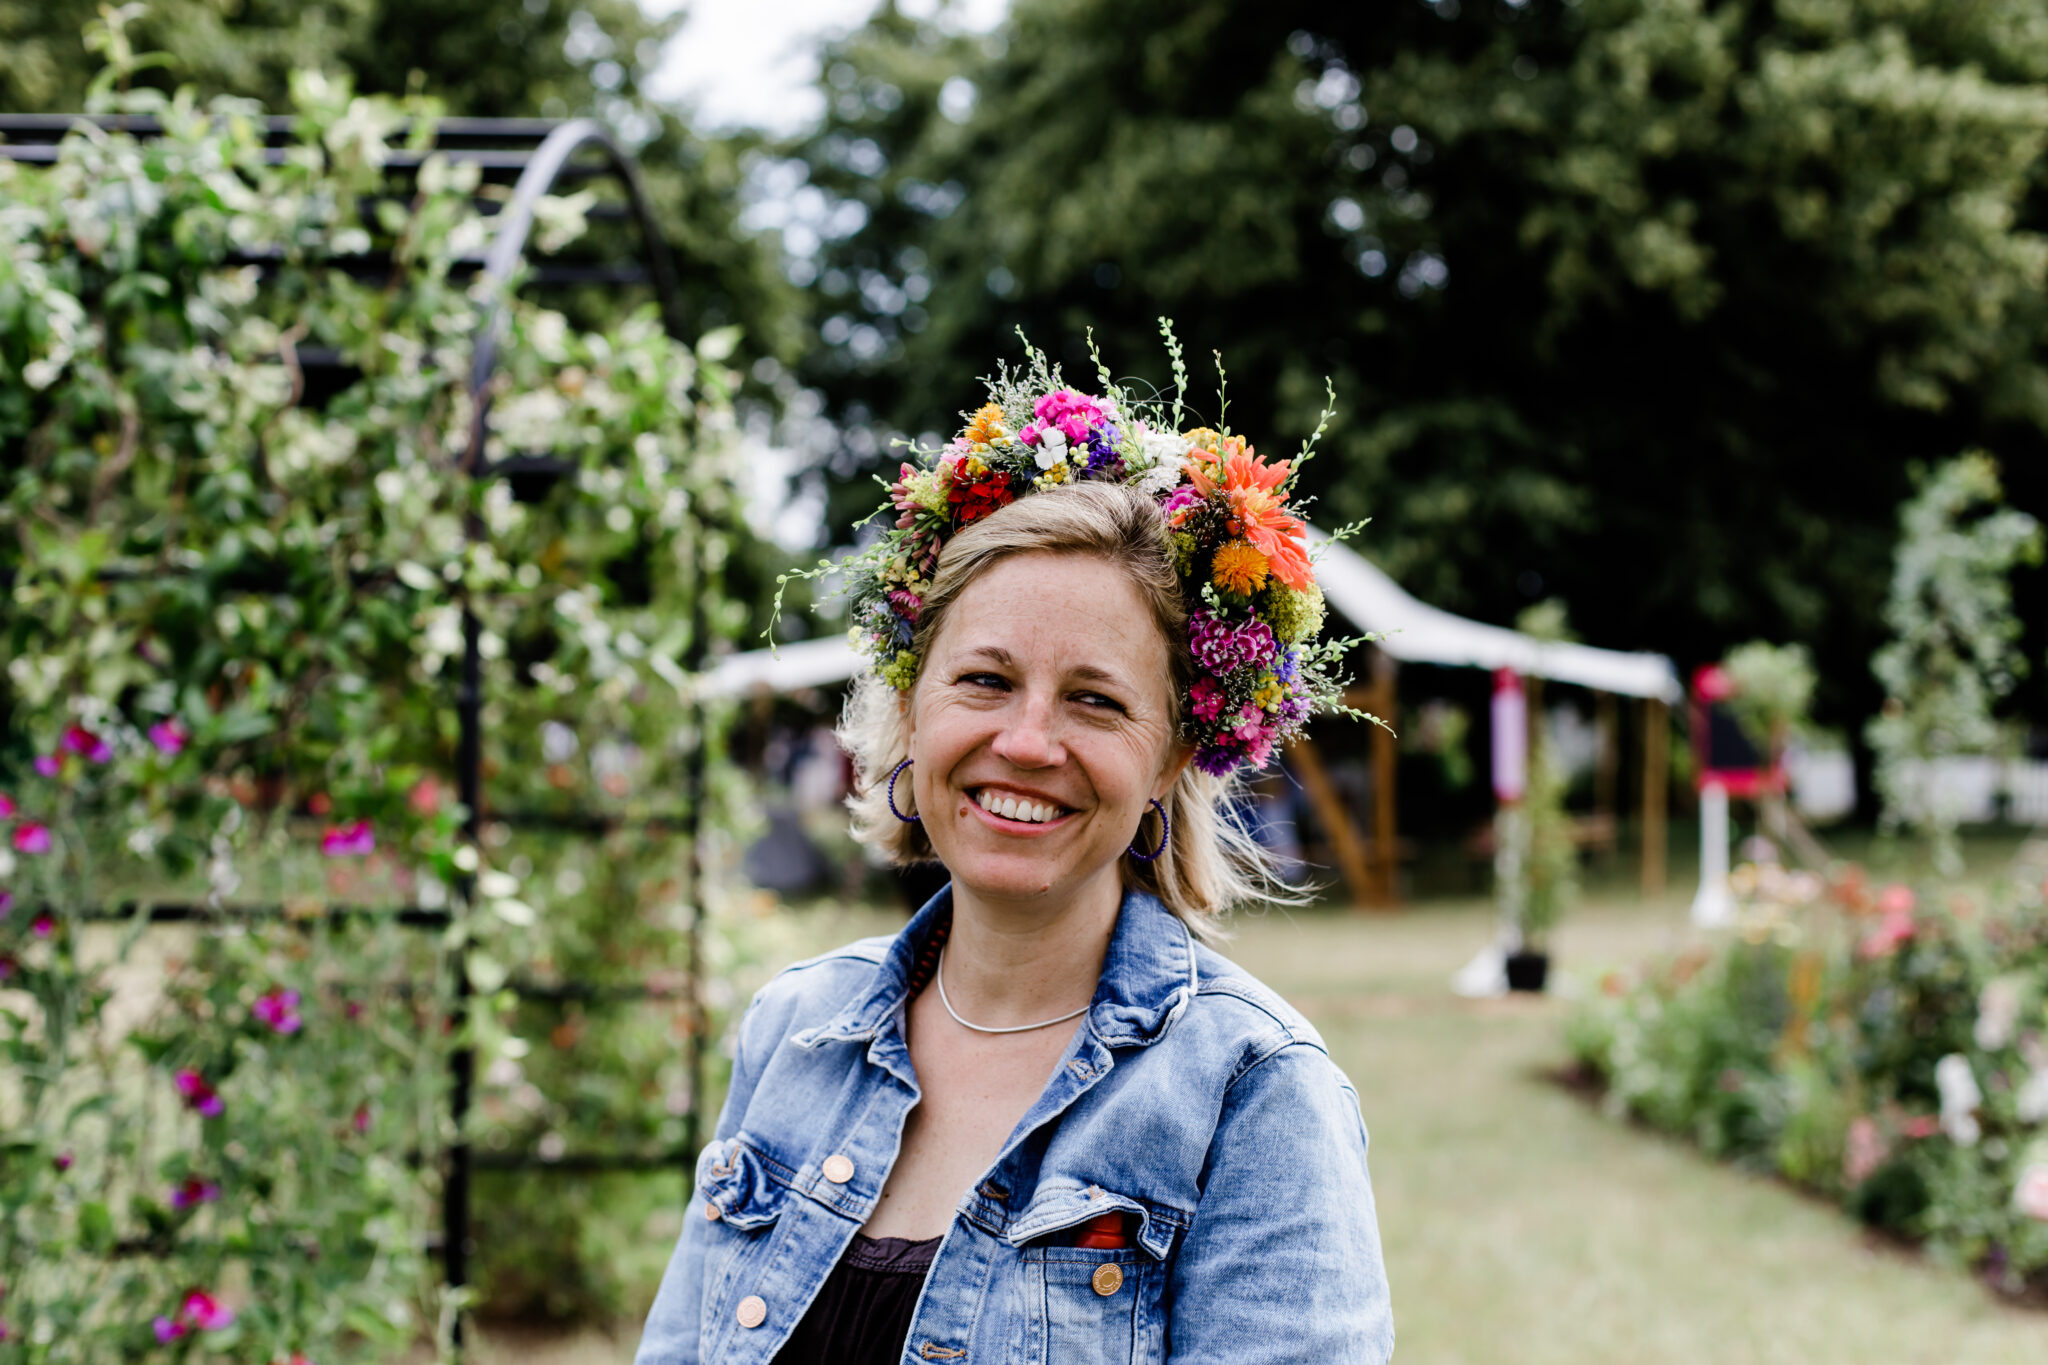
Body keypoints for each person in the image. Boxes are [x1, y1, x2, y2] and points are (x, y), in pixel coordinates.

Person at [635, 353, 1395, 1364]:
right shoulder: (794, 1029)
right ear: (912, 709)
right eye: (985, 680)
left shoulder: (1251, 1093)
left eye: (1094, 699)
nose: (1028, 742)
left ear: (1173, 756)